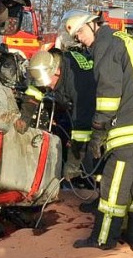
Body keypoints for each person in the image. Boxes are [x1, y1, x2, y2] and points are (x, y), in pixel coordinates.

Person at [62, 9, 133, 251]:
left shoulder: (105, 46)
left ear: (93, 25)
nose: (79, 38)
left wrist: (98, 131)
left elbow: (108, 94)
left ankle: (103, 239)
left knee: (113, 188)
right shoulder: (127, 39)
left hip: (131, 130)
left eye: (80, 31)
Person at [18, 47, 97, 184]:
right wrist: (25, 116)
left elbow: (82, 129)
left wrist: (73, 163)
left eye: (48, 83)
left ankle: (89, 183)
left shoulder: (78, 82)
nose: (47, 87)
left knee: (91, 152)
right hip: (78, 107)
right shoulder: (51, 65)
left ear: (57, 72)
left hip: (100, 110)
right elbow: (35, 91)